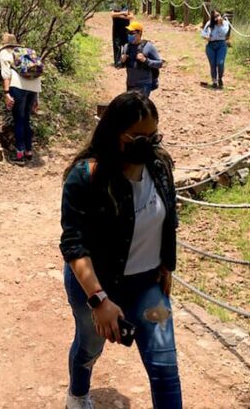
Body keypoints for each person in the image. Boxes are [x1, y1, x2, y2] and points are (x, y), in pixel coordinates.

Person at [60, 91, 182, 409]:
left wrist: (167, 265)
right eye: (139, 137)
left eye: (154, 135)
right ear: (116, 133)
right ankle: (77, 393)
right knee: (90, 346)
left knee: (165, 367)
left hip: (147, 285)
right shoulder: (86, 178)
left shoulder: (160, 166)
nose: (149, 144)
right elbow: (74, 246)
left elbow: (169, 219)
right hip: (94, 286)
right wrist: (99, 300)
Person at [0, 32, 41, 164]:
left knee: (19, 119)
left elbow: (6, 74)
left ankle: (20, 154)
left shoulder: (4, 53)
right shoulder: (25, 52)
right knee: (26, 118)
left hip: (18, 87)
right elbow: (36, 74)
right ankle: (29, 151)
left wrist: (6, 93)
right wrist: (37, 97)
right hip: (34, 88)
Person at [118, 22, 163, 98]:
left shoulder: (148, 47)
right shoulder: (126, 47)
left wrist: (146, 60)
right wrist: (122, 61)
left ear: (139, 33)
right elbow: (121, 65)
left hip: (144, 85)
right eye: (128, 33)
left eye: (132, 33)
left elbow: (159, 63)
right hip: (130, 84)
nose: (129, 35)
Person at [200, 9, 231, 89]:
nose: (217, 17)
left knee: (220, 63)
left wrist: (220, 24)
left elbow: (224, 33)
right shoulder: (209, 23)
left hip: (221, 45)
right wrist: (207, 37)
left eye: (218, 15)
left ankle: (220, 78)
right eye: (215, 16)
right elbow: (203, 33)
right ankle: (214, 80)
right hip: (211, 46)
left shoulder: (225, 23)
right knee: (213, 64)